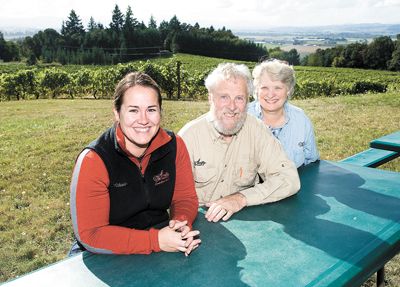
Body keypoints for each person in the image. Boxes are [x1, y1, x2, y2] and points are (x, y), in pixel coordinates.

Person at [70, 72, 200, 256]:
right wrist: (154, 241)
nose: (144, 119)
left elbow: (184, 198)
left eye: (151, 109)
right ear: (117, 113)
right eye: (133, 110)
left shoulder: (175, 146)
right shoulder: (94, 160)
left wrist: (180, 221)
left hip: (161, 235)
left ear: (160, 112)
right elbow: (91, 235)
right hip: (104, 253)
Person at [178, 63, 300, 223]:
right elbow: (176, 198)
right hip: (200, 223)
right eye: (224, 97)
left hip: (249, 221)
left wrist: (241, 198)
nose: (232, 107)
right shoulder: (188, 137)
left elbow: (289, 179)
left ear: (248, 100)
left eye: (239, 98)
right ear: (210, 98)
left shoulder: (258, 131)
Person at [247, 59, 319, 168]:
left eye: (278, 88)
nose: (271, 94)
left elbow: (312, 161)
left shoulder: (301, 119)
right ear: (257, 89)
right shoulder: (242, 118)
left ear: (288, 90)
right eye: (264, 88)